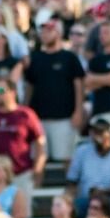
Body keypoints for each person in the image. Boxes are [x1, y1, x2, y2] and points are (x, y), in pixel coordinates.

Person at [27, 18, 86, 163]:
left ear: (58, 33)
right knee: (38, 159)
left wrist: (78, 111)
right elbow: (30, 86)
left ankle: (71, 186)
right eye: (43, 31)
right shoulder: (35, 57)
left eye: (49, 30)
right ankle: (36, 186)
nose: (45, 34)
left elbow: (79, 85)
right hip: (39, 117)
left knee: (68, 159)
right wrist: (27, 111)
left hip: (65, 117)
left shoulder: (69, 57)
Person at [0, 79, 47, 196]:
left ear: (13, 92)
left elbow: (40, 145)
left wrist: (37, 171)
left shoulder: (26, 114)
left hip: (20, 174)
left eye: (0, 90)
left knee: (21, 212)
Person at [66, 119, 110, 217]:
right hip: (87, 199)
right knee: (73, 205)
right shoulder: (82, 151)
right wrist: (68, 199)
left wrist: (103, 191)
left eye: (100, 132)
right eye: (93, 133)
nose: (96, 137)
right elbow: (72, 181)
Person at [86, 20, 110, 134]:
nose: (101, 36)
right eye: (100, 33)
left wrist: (96, 79)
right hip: (100, 112)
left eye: (106, 32)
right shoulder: (96, 60)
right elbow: (88, 83)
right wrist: (109, 78)